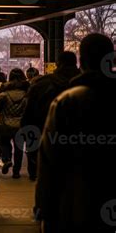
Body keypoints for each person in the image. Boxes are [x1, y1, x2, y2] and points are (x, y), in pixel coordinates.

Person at [35, 34, 116, 232]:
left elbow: (48, 157)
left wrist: (43, 208)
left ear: (82, 60)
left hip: (75, 200)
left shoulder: (68, 100)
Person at [21, 51, 80, 180]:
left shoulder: (40, 84)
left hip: (47, 137)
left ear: (57, 64)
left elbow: (29, 114)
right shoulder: (90, 84)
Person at [0, 68, 30, 179]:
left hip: (5, 124)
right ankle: (16, 172)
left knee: (4, 143)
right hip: (20, 125)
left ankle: (7, 159)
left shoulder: (4, 94)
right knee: (19, 148)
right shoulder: (26, 94)